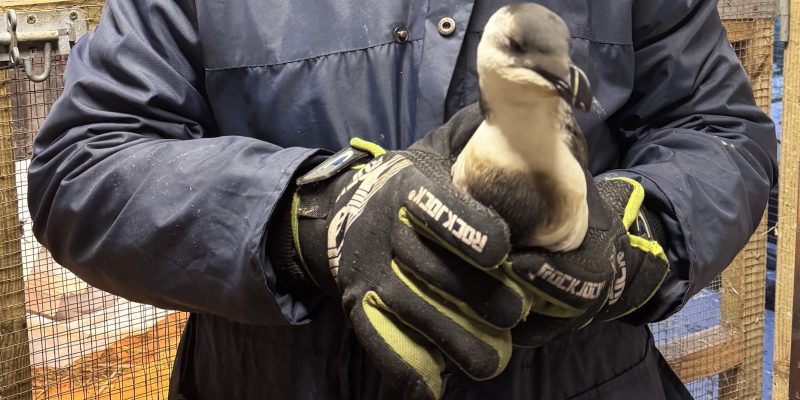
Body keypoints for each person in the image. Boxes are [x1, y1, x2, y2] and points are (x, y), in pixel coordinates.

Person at [27, 0, 776, 399]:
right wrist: (317, 214)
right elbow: (85, 160)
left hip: (580, 376)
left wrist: (638, 237)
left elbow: (718, 129)